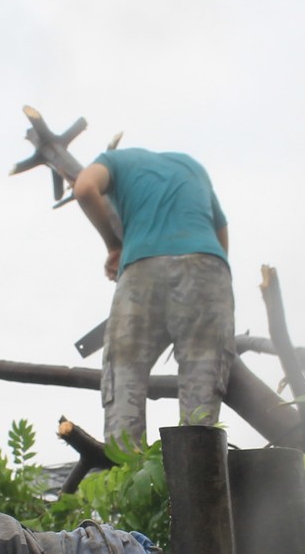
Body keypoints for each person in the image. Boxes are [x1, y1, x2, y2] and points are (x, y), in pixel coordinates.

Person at [71, 148, 231, 445]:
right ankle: (197, 478)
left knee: (124, 381)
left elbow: (83, 188)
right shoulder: (192, 163)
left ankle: (127, 476)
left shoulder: (113, 161)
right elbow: (220, 228)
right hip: (208, 266)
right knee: (202, 385)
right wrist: (213, 279)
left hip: (142, 270)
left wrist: (113, 245)